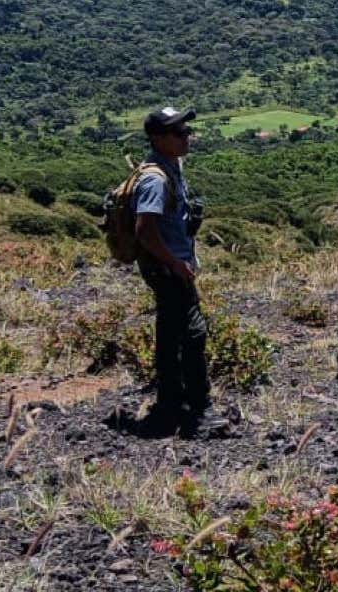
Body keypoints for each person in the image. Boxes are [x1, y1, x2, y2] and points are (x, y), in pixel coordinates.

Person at [134, 107, 223, 436]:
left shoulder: (171, 169)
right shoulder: (155, 180)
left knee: (172, 336)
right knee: (192, 334)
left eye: (187, 131)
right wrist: (174, 262)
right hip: (168, 270)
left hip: (170, 267)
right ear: (159, 140)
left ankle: (171, 405)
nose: (188, 137)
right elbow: (144, 229)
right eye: (179, 133)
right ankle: (196, 412)